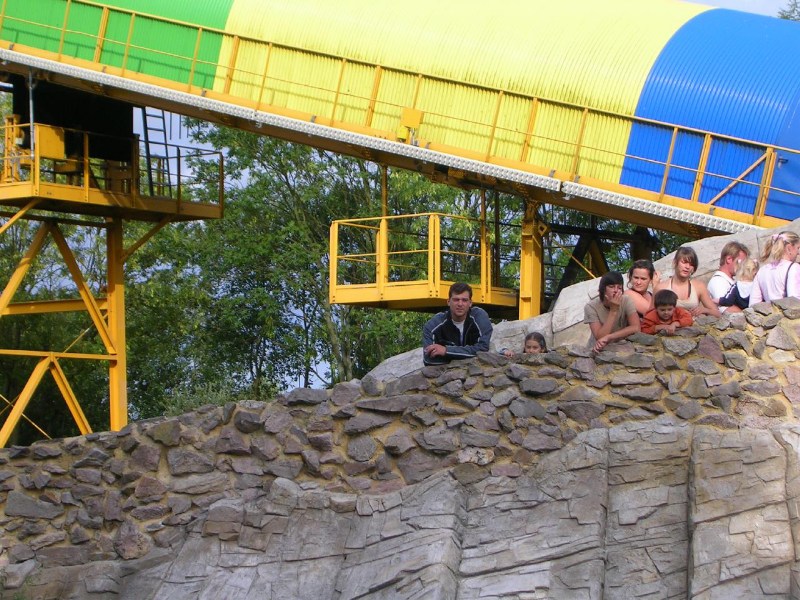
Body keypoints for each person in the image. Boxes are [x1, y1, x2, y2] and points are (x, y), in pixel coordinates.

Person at [423, 282, 493, 365]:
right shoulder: (433, 325)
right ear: (448, 302)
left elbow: (483, 349)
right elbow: (428, 359)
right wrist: (466, 355)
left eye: (464, 300)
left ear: (470, 303)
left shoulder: (479, 316)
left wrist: (446, 351)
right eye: (456, 300)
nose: (460, 304)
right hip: (446, 372)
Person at [654, 246, 720, 318]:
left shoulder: (699, 287)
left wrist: (704, 310)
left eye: (691, 264)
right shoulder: (661, 288)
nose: (687, 267)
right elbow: (650, 314)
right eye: (684, 262)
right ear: (675, 262)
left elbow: (717, 313)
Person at [584, 271, 640, 352]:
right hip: (598, 348)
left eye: (619, 288)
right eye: (611, 287)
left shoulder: (626, 300)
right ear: (603, 289)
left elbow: (636, 327)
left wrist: (610, 337)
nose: (616, 291)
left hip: (620, 346)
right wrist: (613, 311)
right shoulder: (591, 307)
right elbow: (600, 337)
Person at [749, 231, 800, 305]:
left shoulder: (762, 271)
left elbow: (753, 304)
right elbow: (795, 300)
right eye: (798, 248)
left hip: (769, 311)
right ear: (789, 248)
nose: (798, 253)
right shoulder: (793, 267)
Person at [707, 241, 750, 313]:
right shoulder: (718, 282)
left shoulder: (731, 281)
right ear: (729, 259)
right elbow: (727, 309)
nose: (743, 266)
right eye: (741, 262)